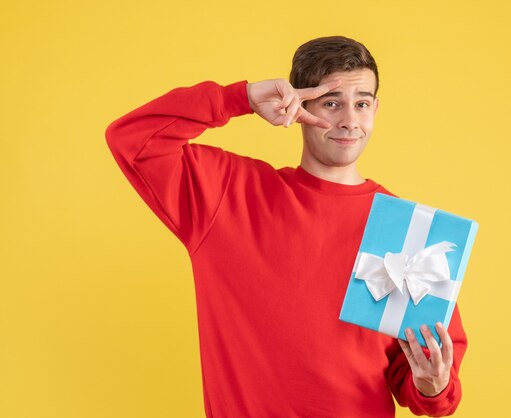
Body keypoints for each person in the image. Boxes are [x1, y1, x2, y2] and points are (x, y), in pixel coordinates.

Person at [106, 36, 467, 417]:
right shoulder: (227, 194)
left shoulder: (409, 232)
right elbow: (132, 139)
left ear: (376, 108)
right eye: (331, 103)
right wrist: (239, 99)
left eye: (361, 103)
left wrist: (432, 385)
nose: (349, 120)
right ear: (298, 106)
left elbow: (431, 385)